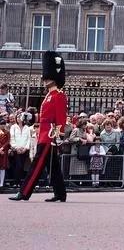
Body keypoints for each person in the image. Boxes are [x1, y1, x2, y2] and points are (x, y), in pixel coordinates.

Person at [10, 51, 68, 202]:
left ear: (53, 79)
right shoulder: (49, 96)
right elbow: (45, 118)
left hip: (49, 136)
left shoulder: (59, 96)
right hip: (43, 132)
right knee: (53, 167)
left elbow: (60, 118)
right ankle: (60, 193)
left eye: (47, 77)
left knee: (37, 164)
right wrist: (31, 118)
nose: (45, 80)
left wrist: (58, 136)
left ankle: (24, 192)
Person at [9, 113, 31, 187]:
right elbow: (12, 138)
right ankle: (16, 182)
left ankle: (19, 182)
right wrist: (16, 147)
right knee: (18, 165)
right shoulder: (13, 127)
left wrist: (25, 148)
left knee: (22, 166)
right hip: (16, 149)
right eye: (17, 117)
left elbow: (29, 139)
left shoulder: (27, 128)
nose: (18, 118)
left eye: (19, 117)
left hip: (24, 149)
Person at [0, 118, 9, 188]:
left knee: (3, 167)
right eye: (1, 124)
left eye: (3, 124)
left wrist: (2, 148)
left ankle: (1, 183)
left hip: (4, 151)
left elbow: (8, 141)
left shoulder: (7, 132)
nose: (2, 126)